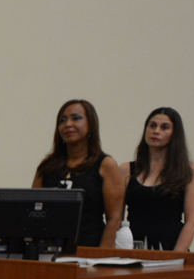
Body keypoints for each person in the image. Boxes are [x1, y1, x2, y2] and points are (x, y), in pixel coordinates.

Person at [32, 99, 126, 248]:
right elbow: (32, 211)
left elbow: (114, 220)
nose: (68, 124)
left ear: (90, 126)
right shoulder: (47, 166)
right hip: (49, 249)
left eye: (76, 118)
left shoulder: (106, 165)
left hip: (90, 248)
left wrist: (100, 258)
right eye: (63, 120)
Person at [120, 107, 194, 251]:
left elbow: (192, 222)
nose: (156, 131)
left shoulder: (188, 170)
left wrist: (175, 256)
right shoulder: (126, 169)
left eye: (165, 127)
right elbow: (115, 219)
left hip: (170, 248)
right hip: (133, 247)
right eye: (152, 125)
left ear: (175, 134)